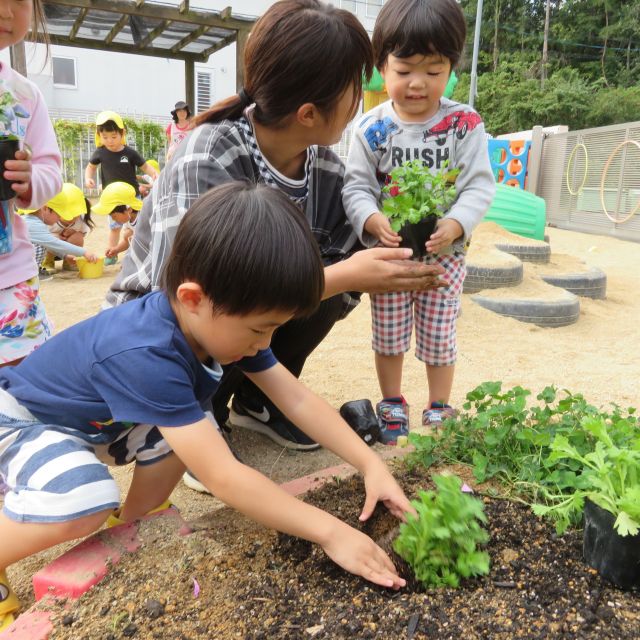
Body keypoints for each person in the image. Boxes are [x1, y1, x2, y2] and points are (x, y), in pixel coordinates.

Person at [0, 183, 413, 631]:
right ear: (193, 297)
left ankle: (135, 527)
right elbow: (222, 477)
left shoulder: (221, 320)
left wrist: (370, 464)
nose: (265, 343)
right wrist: (331, 531)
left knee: (193, 434)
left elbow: (294, 396)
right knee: (86, 497)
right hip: (22, 423)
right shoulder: (147, 350)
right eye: (261, 329)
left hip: (95, 425)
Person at [105, 0, 446, 482]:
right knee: (328, 277)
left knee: (334, 280)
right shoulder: (210, 151)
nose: (359, 100)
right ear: (309, 112)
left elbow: (363, 247)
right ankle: (193, 416)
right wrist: (345, 274)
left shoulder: (323, 168)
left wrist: (414, 242)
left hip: (235, 321)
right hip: (165, 325)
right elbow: (188, 296)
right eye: (353, 88)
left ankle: (256, 401)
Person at [342, 0, 496, 443]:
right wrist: (371, 220)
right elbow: (355, 187)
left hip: (443, 255)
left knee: (439, 333)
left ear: (451, 67)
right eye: (405, 68)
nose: (417, 83)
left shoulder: (464, 123)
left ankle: (438, 406)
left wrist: (458, 222)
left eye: (433, 70)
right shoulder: (371, 128)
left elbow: (479, 186)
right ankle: (392, 403)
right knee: (388, 334)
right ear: (382, 66)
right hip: (390, 254)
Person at [0, 0, 63, 369]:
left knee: (20, 375)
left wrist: (28, 181)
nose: (8, 13)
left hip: (10, 275)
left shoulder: (23, 95)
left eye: (19, 2)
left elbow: (50, 171)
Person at [84, 111, 158, 263]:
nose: (110, 141)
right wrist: (88, 178)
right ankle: (112, 254)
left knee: (136, 225)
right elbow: (90, 167)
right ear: (99, 135)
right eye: (105, 137)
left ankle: (137, 253)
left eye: (113, 137)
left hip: (131, 196)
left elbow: (144, 166)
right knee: (114, 227)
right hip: (111, 198)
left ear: (122, 133)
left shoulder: (129, 153)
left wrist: (155, 174)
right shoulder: (100, 152)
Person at [18, 186, 99, 275]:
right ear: (45, 208)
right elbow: (54, 243)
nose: (59, 218)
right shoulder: (33, 224)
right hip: (13, 265)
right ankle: (30, 272)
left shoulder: (33, 221)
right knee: (38, 246)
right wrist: (84, 252)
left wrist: (65, 256)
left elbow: (50, 244)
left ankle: (33, 269)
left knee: (41, 244)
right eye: (59, 214)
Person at [38, 183, 95, 273]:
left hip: (68, 249)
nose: (71, 218)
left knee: (78, 237)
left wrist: (73, 232)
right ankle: (48, 262)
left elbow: (84, 232)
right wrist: (57, 236)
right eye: (67, 214)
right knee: (51, 238)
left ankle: (69, 263)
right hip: (50, 248)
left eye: (75, 214)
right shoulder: (49, 219)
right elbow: (42, 238)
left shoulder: (80, 220)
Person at [91, 181, 142, 261]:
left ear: (128, 210)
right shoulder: (128, 219)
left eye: (114, 216)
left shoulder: (143, 218)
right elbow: (127, 241)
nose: (113, 219)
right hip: (142, 248)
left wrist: (137, 239)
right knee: (127, 235)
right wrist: (116, 250)